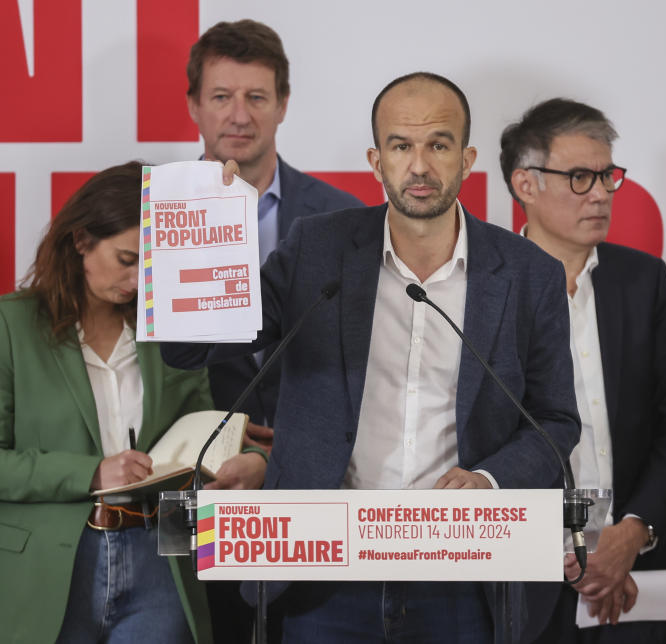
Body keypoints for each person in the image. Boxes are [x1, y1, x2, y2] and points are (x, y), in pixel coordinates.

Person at [162, 72, 580, 642]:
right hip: (323, 569)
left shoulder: (529, 274)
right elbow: (190, 350)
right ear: (376, 160)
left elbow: (554, 421)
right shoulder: (317, 250)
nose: (420, 166)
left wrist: (489, 477)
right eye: (401, 146)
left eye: (438, 144)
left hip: (462, 571)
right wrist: (206, 237)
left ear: (467, 158)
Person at [0, 161, 266, 643]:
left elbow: (201, 434)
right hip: (49, 568)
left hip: (161, 558)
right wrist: (92, 473)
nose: (138, 281)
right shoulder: (11, 327)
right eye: (127, 259)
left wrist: (243, 459)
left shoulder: (172, 334)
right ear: (81, 241)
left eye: (151, 267)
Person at [186, 22, 363, 641]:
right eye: (221, 96)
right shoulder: (156, 216)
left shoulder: (344, 219)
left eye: (257, 97)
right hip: (199, 482)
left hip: (314, 478)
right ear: (193, 106)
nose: (240, 115)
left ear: (283, 104)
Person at [499, 98, 666, 643]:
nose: (601, 193)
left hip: (634, 576)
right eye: (580, 177)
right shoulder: (485, 290)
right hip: (523, 582)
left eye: (607, 175)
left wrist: (634, 532)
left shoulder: (643, 281)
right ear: (526, 185)